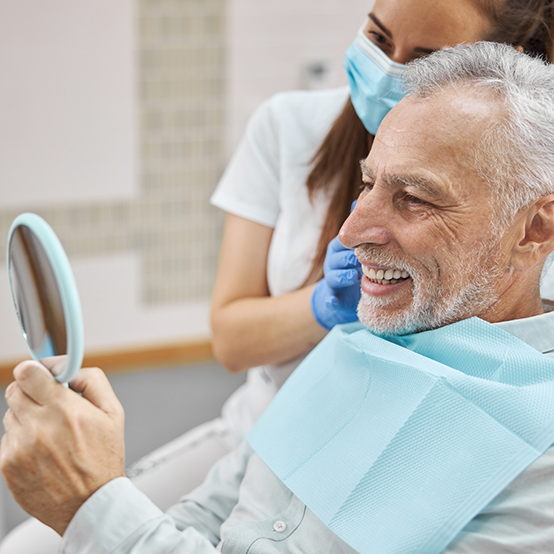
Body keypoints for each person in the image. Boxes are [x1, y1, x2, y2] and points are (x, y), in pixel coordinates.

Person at [2, 1, 554, 551]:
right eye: (366, 186)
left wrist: (92, 504)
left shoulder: (530, 456)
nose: (351, 231)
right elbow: (214, 510)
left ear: (534, 229)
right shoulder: (356, 341)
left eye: (413, 198)